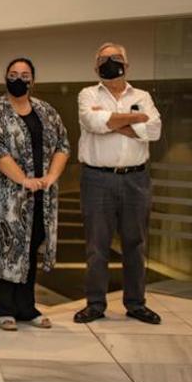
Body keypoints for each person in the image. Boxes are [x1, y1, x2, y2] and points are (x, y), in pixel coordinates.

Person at [74, 43, 162, 325]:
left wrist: (112, 121)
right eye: (104, 59)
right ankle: (95, 304)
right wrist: (135, 119)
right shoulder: (88, 94)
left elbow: (154, 130)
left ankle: (136, 303)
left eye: (116, 58)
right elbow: (92, 123)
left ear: (127, 64)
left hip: (136, 178)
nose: (111, 63)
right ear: (95, 66)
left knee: (135, 244)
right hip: (97, 179)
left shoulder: (142, 95)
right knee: (96, 246)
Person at [0, 58, 70, 331]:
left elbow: (63, 145)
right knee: (6, 248)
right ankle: (3, 309)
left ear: (33, 80)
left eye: (25, 74)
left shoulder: (46, 111)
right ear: (5, 77)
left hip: (40, 196)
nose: (19, 79)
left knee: (30, 247)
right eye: (13, 74)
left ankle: (26, 307)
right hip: (6, 198)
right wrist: (24, 180)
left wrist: (50, 178)